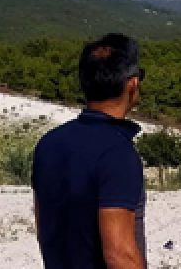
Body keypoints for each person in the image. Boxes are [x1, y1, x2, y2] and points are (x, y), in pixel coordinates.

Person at [32, 33, 148, 269]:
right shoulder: (118, 154)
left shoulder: (48, 145)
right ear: (132, 83)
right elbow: (119, 255)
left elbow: (44, 229)